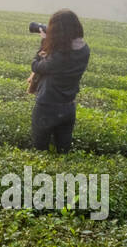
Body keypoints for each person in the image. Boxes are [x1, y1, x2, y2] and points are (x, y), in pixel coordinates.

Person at [28, 9, 90, 153]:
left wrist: (44, 41)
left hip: (47, 107)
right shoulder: (84, 50)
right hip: (68, 108)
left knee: (40, 151)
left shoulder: (59, 55)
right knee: (63, 152)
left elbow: (36, 66)